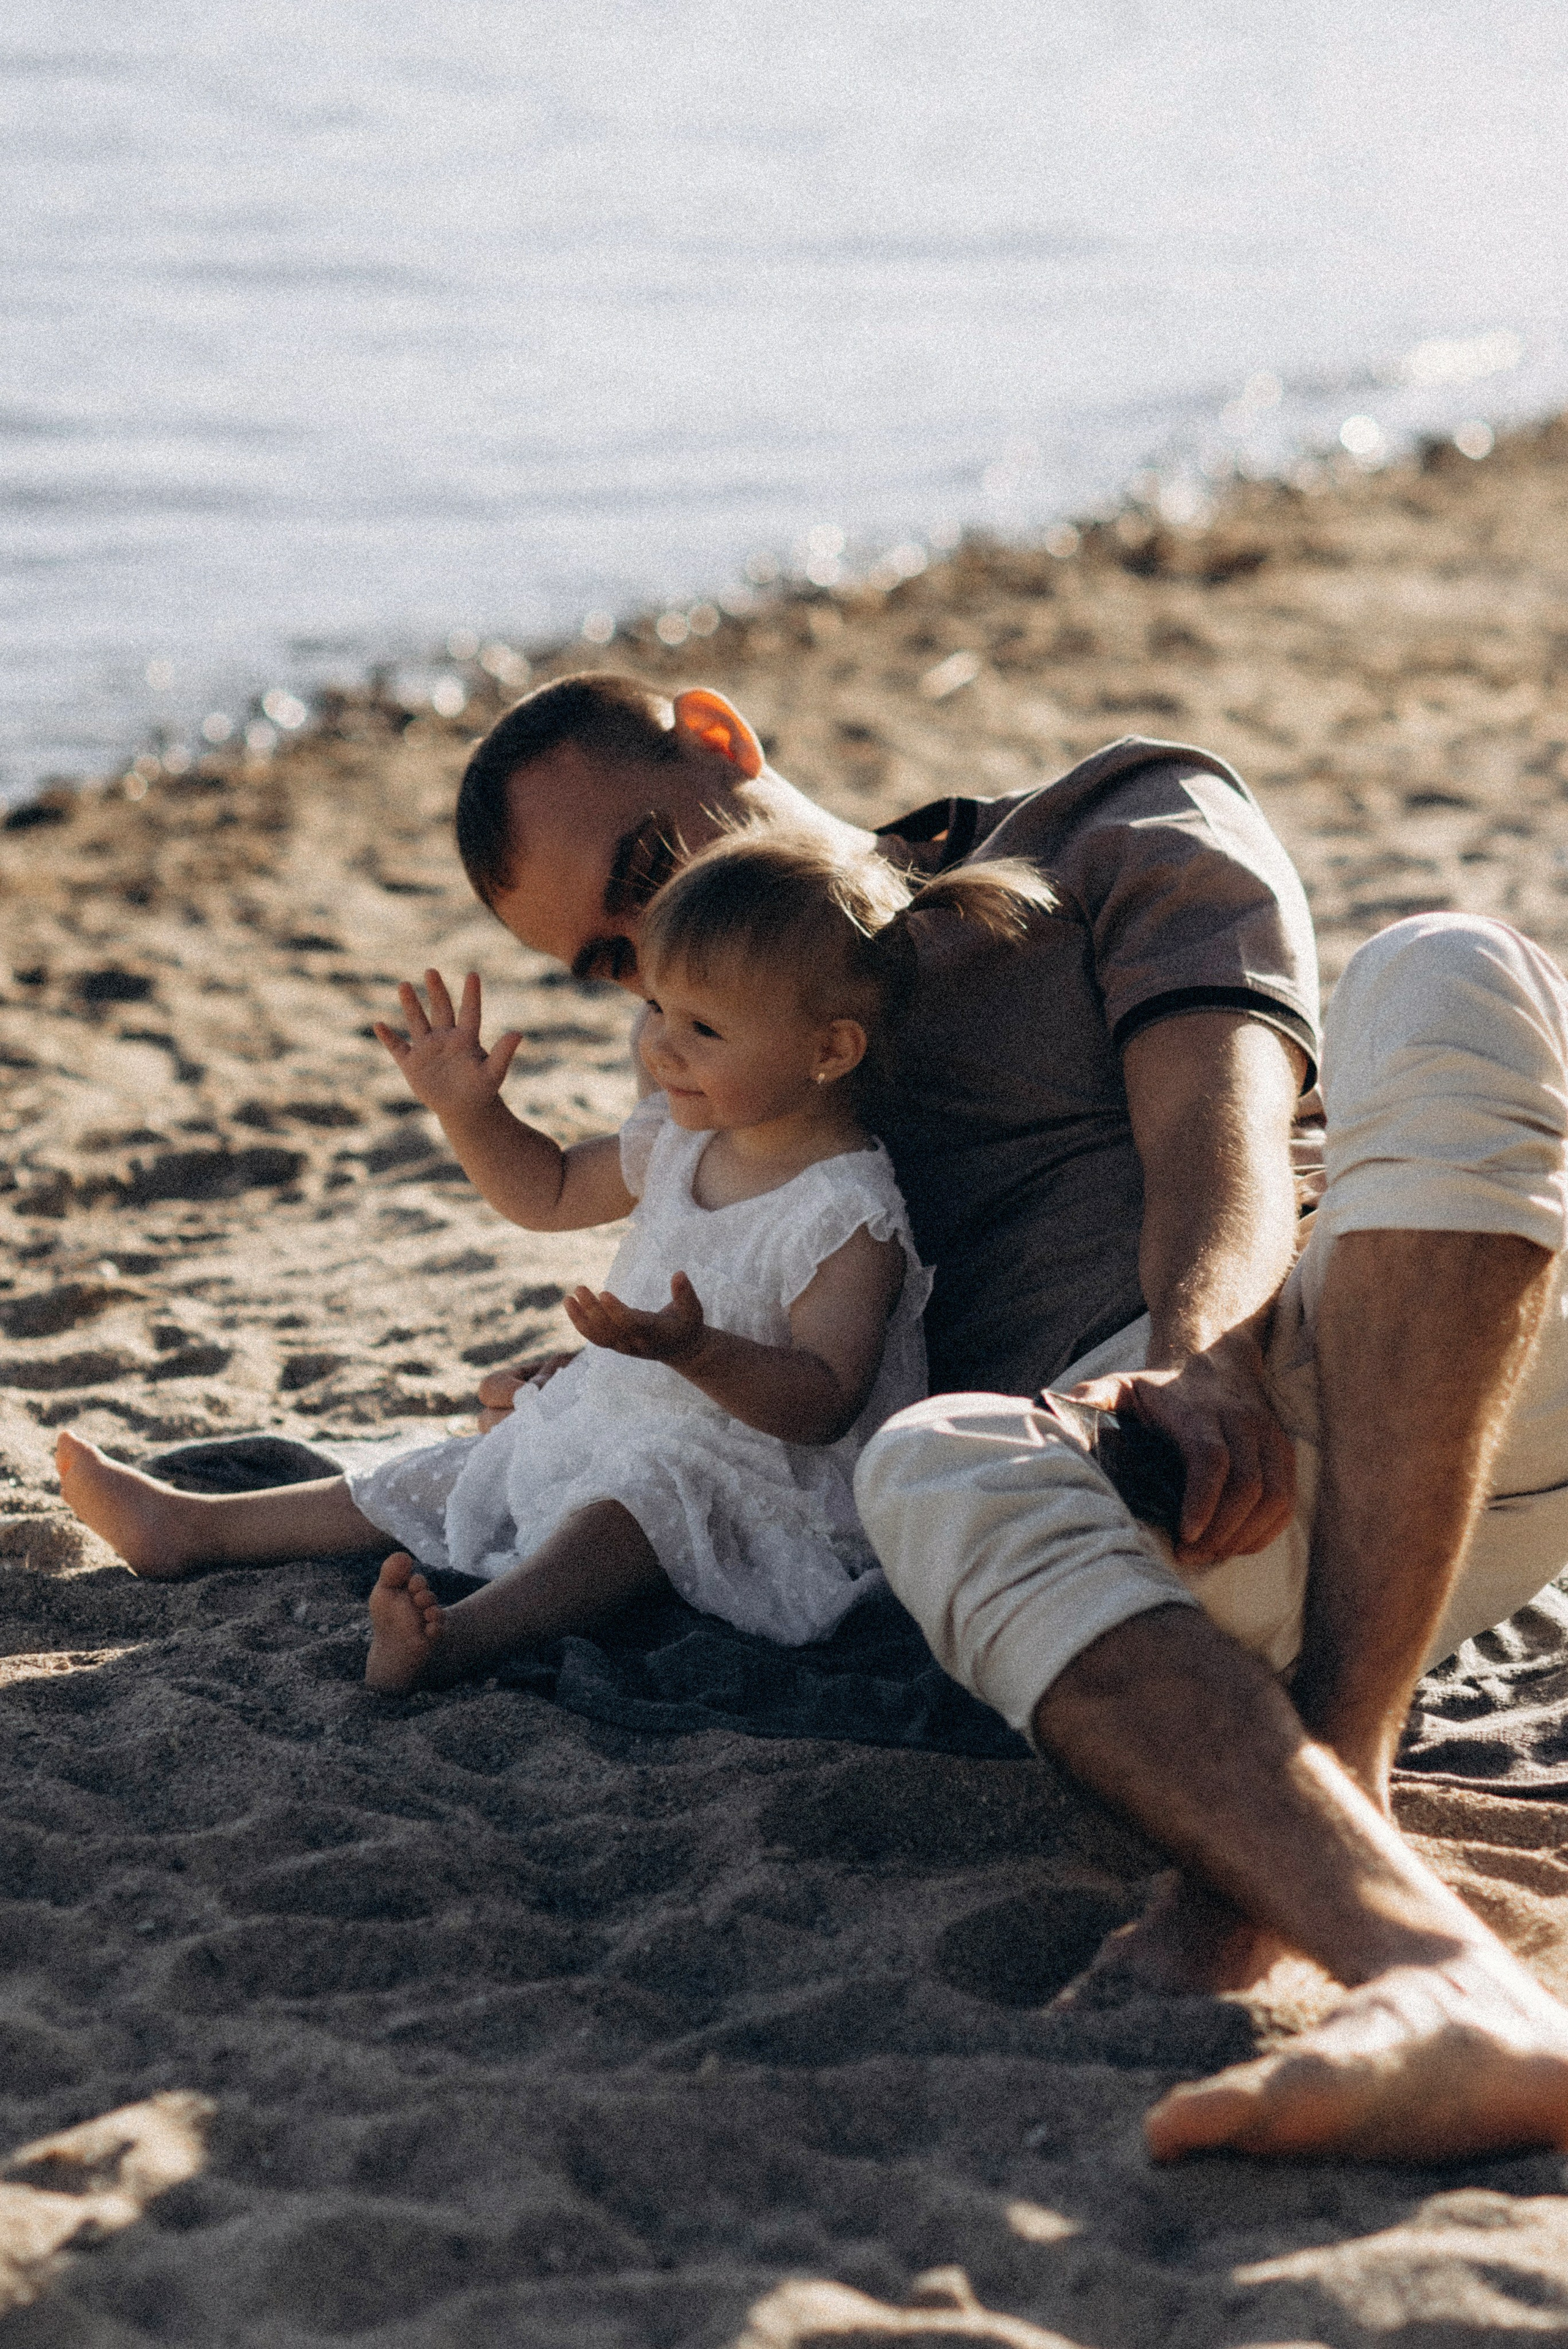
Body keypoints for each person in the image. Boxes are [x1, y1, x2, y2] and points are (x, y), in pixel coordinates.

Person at [436, 671, 1568, 2163]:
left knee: (1441, 963)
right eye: (603, 959)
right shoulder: (749, 1050)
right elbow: (768, 1318)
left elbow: (1207, 1124)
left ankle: (1322, 1785)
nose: (649, 947)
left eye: (640, 871)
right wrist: (594, 1371)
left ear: (714, 736)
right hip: (1143, 1520)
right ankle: (1436, 1977)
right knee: (929, 1464)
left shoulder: (1113, 817)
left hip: (1412, 1344)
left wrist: (1203, 1352)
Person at [56, 824, 1052, 1694]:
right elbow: (544, 1192)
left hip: (772, 1489)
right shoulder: (681, 1136)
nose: (661, 1048)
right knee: (455, 1469)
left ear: (829, 1051)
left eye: (702, 1028)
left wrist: (697, 1351)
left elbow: (828, 1399)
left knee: (636, 1507)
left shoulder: (846, 1210)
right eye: (657, 1008)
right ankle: (191, 1529)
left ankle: (463, 1640)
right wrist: (471, 1111)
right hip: (634, 1412)